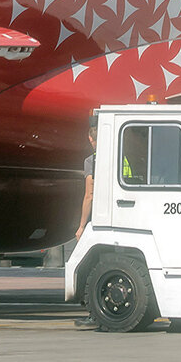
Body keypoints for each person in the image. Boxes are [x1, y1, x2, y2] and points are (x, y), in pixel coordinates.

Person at [74, 123, 98, 329]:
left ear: (91, 140)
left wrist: (81, 225)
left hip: (98, 219)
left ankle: (93, 312)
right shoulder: (123, 155)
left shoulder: (91, 161)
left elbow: (89, 194)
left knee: (87, 266)